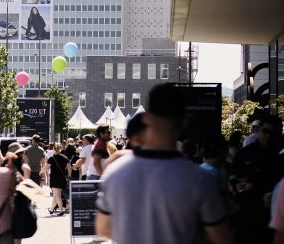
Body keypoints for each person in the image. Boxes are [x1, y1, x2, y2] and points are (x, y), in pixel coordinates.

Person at [95, 84, 230, 244]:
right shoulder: (201, 179)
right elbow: (222, 238)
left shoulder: (115, 173)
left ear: (146, 116)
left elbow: (102, 227)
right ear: (184, 120)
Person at [230, 114, 283, 243]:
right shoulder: (245, 155)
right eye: (265, 131)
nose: (268, 136)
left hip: (274, 222)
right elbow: (233, 184)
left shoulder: (280, 157)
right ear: (259, 130)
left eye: (273, 133)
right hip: (248, 219)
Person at [46, 143, 69, 216]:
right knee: (56, 195)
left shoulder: (51, 158)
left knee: (57, 195)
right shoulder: (65, 158)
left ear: (54, 149)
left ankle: (61, 211)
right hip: (62, 178)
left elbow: (46, 167)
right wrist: (69, 175)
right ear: (61, 149)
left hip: (54, 178)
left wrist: (41, 172)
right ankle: (51, 209)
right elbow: (69, 168)